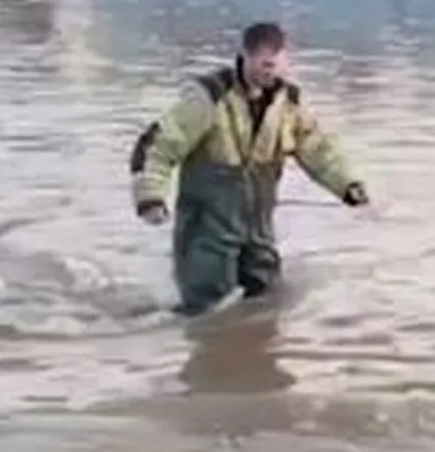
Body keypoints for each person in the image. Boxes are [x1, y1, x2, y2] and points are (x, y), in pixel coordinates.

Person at [130, 22, 369, 316]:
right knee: (205, 310)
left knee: (267, 304)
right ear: (244, 56)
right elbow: (158, 146)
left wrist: (348, 185)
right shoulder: (208, 98)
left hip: (258, 234)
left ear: (286, 60)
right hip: (206, 233)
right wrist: (150, 198)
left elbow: (319, 150)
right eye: (263, 64)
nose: (269, 72)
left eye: (275, 64)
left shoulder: (289, 105)